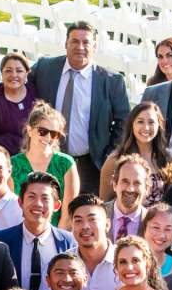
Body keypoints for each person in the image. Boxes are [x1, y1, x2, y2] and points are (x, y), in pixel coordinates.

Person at [31, 20, 131, 191]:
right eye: (75, 41)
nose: (80, 47)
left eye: (86, 42)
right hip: (48, 157)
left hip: (90, 164)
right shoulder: (45, 68)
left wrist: (108, 155)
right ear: (66, 44)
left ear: (95, 46)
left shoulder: (112, 81)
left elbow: (124, 122)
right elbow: (17, 81)